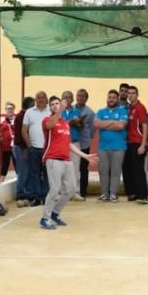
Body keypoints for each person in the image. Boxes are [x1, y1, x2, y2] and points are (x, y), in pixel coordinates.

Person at [39, 96, 97, 229]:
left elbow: (68, 143)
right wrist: (60, 110)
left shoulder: (65, 123)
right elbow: (50, 125)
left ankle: (55, 213)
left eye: (57, 103)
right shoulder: (47, 120)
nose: (55, 106)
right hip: (53, 159)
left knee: (71, 189)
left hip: (66, 160)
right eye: (52, 104)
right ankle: (44, 218)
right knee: (55, 189)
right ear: (50, 107)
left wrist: (85, 155)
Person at [95, 89, 128, 202]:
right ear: (107, 98)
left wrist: (105, 124)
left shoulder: (123, 111)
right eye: (110, 97)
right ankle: (104, 194)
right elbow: (96, 124)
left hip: (119, 146)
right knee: (103, 171)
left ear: (117, 99)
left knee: (115, 171)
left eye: (114, 97)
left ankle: (113, 194)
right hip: (103, 147)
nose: (111, 99)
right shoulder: (100, 111)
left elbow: (121, 126)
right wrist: (113, 122)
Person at [22, 91, 50, 206]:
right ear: (35, 99)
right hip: (34, 148)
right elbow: (24, 130)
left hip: (48, 149)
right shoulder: (29, 112)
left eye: (43, 97)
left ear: (47, 99)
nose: (41, 99)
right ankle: (37, 197)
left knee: (47, 174)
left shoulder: (51, 111)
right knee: (34, 173)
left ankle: (45, 197)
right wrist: (29, 145)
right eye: (38, 98)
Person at [122, 85, 148, 203]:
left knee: (138, 170)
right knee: (127, 169)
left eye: (133, 93)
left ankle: (142, 196)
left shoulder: (140, 107)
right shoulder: (129, 108)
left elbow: (145, 126)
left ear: (137, 95)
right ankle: (132, 193)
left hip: (138, 143)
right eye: (129, 93)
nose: (131, 95)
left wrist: (143, 145)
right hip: (128, 143)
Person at [73, 89, 95, 200]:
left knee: (83, 168)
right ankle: (72, 191)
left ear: (86, 98)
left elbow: (92, 129)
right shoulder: (71, 110)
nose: (80, 98)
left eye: (83, 96)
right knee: (73, 168)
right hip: (73, 144)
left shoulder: (90, 112)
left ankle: (82, 191)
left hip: (84, 143)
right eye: (78, 95)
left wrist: (88, 138)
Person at [61, 90, 82, 201]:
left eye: (69, 97)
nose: (67, 99)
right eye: (65, 97)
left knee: (75, 169)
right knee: (61, 169)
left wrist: (79, 122)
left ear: (72, 99)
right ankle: (63, 192)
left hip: (74, 142)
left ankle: (75, 192)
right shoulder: (58, 112)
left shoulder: (77, 112)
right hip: (61, 144)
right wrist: (71, 122)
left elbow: (80, 127)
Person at [13, 96, 35, 204]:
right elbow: (19, 136)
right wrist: (25, 148)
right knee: (23, 171)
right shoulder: (20, 117)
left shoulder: (25, 115)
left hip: (25, 147)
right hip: (21, 147)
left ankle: (27, 193)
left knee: (27, 171)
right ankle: (20, 194)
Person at [1, 101, 16, 173]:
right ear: (5, 110)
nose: (9, 110)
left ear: (13, 109)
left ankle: (19, 182)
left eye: (11, 108)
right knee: (4, 166)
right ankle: (1, 183)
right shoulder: (2, 120)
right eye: (8, 108)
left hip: (15, 146)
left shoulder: (17, 119)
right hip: (5, 147)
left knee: (17, 165)